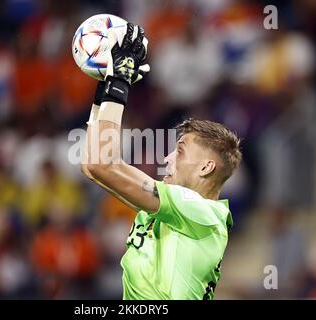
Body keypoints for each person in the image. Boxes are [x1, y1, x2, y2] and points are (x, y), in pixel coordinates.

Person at [81, 23, 242, 300]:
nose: (166, 158)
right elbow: (91, 167)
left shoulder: (203, 213)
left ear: (206, 167)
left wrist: (119, 83)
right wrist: (105, 88)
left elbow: (101, 164)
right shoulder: (168, 210)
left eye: (179, 151)